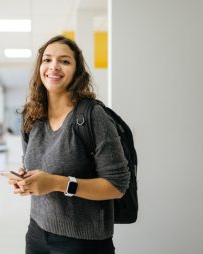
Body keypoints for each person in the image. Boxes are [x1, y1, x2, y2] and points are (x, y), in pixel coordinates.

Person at [8, 35, 130, 254]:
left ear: (77, 71)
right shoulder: (32, 115)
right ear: (39, 67)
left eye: (64, 61)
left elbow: (117, 185)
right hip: (37, 231)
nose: (54, 66)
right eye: (47, 60)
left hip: (82, 241)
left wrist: (57, 183)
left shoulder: (92, 116)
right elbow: (34, 163)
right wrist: (25, 178)